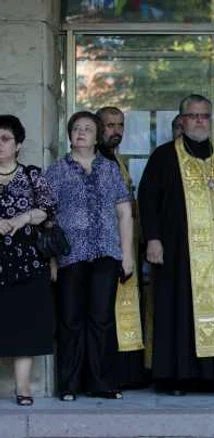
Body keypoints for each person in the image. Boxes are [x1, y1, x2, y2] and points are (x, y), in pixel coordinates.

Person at [138, 94, 214, 396]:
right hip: (178, 254)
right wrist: (152, 239)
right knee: (179, 312)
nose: (199, 121)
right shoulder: (164, 156)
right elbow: (148, 200)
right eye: (193, 116)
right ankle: (177, 377)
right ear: (181, 120)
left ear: (211, 120)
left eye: (204, 116)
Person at [45, 111, 134, 401]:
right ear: (69, 136)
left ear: (97, 136)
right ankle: (69, 384)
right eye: (76, 129)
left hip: (106, 252)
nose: (81, 132)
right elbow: (47, 219)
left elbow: (124, 212)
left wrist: (128, 255)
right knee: (70, 320)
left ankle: (102, 382)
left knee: (102, 319)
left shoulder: (110, 170)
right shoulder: (56, 171)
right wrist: (52, 260)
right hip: (71, 255)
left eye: (87, 128)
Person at [0, 115, 57, 406]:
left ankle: (23, 388)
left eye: (5, 139)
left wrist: (21, 218)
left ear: (18, 145)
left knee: (25, 325)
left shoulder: (33, 175)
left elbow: (47, 209)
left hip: (27, 261)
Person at [96, 106, 148, 389]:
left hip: (126, 246)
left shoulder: (117, 161)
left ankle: (126, 374)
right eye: (109, 125)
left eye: (120, 125)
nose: (115, 131)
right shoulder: (97, 162)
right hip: (107, 248)